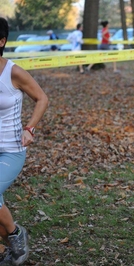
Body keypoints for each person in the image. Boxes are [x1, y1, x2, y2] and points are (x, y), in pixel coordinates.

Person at [0, 17, 48, 265]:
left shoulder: (13, 72)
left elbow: (42, 98)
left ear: (1, 41)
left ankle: (16, 235)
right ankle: (8, 244)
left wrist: (30, 128)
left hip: (10, 150)